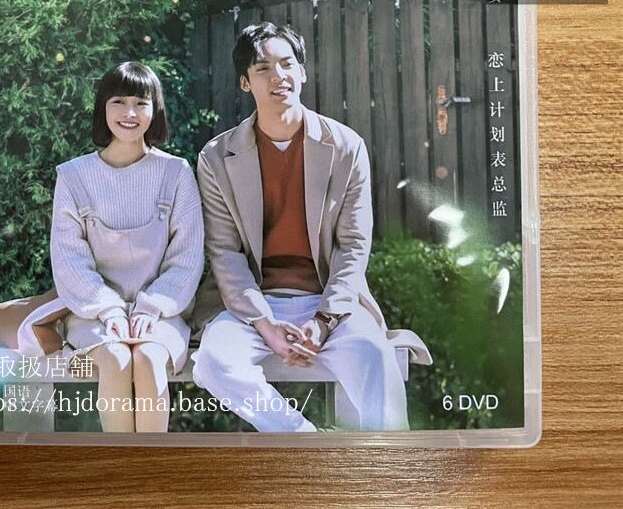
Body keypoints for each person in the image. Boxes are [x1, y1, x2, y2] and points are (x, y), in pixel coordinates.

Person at [191, 22, 409, 432]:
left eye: (287, 64)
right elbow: (225, 253)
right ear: (245, 82)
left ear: (303, 71)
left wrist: (323, 321)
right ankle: (304, 440)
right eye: (263, 68)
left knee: (376, 359)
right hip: (252, 305)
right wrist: (265, 324)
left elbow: (353, 246)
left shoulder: (345, 147)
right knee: (214, 362)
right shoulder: (217, 157)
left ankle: (389, 466)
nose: (279, 76)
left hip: (329, 302)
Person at [51, 60, 204, 433]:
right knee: (118, 358)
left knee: (148, 358)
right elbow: (69, 259)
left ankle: (153, 465)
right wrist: (110, 311)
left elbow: (187, 256)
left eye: (140, 103)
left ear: (156, 109)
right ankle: (121, 463)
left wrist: (152, 307)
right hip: (93, 315)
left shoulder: (177, 173)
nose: (130, 113)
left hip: (164, 314)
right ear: (103, 109)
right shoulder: (73, 176)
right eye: (118, 102)